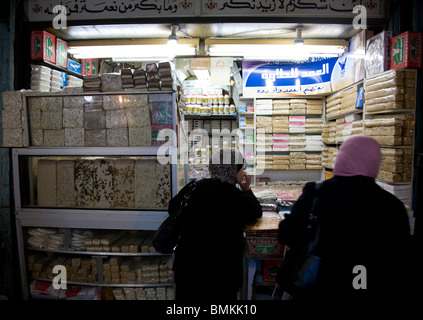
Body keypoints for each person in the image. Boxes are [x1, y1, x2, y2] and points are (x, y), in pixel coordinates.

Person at [277, 135, 411, 301]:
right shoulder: (392, 206)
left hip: (319, 285)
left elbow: (286, 234)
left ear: (341, 158)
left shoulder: (317, 192)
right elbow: (400, 260)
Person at [171, 147, 262, 301]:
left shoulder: (194, 187)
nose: (243, 172)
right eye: (241, 168)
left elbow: (172, 207)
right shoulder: (237, 197)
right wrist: (246, 188)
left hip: (188, 268)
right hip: (222, 273)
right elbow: (255, 213)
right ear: (233, 170)